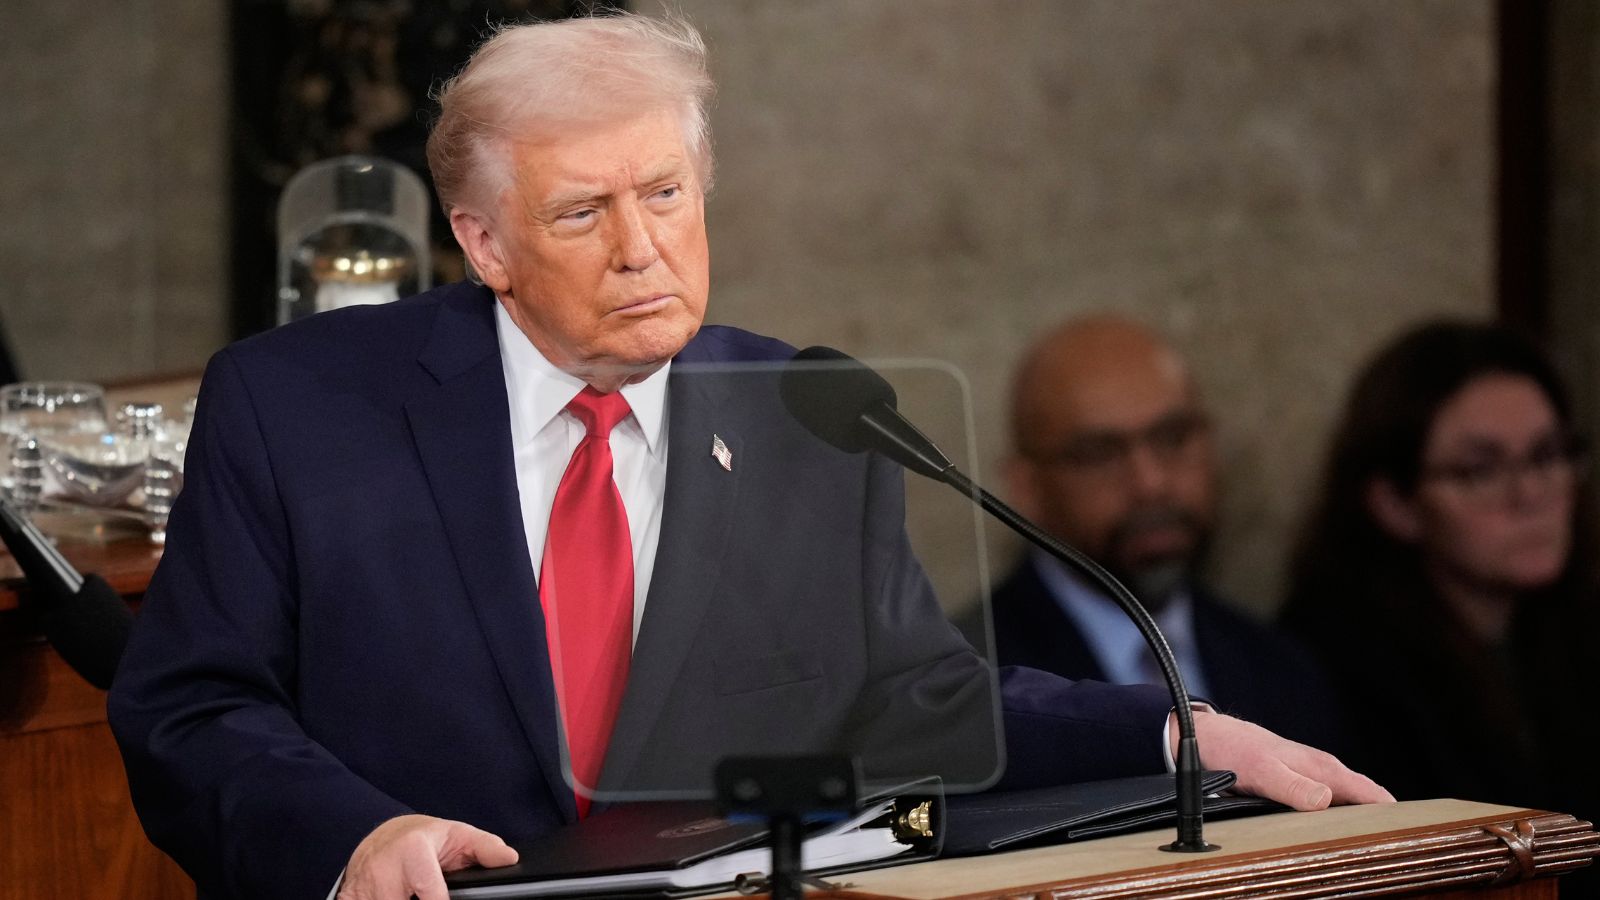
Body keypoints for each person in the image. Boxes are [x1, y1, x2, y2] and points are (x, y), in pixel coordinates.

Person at [108, 14, 1389, 900]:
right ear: (483, 243)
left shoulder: (807, 412)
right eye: (580, 211)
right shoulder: (296, 406)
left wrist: (1174, 734)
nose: (640, 247)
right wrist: (352, 837)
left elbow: (910, 705)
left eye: (665, 193)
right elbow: (190, 706)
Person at [1281, 321, 1598, 829]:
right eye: (1482, 470)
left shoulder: (1575, 628)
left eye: (1547, 455)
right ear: (1395, 504)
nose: (1531, 494)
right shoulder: (1337, 667)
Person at [978, 316, 1341, 751]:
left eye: (1172, 437)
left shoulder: (1281, 666)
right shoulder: (971, 682)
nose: (1151, 483)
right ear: (1027, 486)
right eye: (1099, 453)